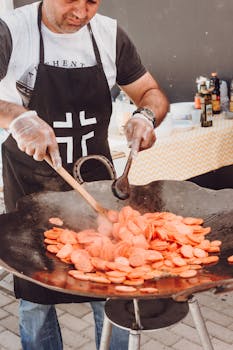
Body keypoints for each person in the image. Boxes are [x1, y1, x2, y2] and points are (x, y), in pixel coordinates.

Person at [0, 1, 169, 349]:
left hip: (96, 190)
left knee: (112, 290)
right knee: (36, 299)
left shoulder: (109, 34)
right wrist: (18, 117)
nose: (81, 10)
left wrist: (147, 116)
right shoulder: (12, 30)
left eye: (91, 1)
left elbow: (150, 92)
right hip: (31, 189)